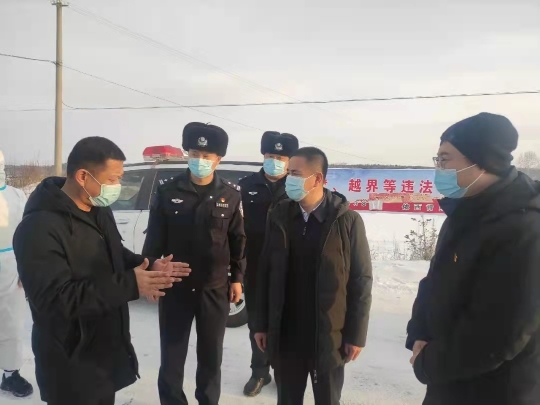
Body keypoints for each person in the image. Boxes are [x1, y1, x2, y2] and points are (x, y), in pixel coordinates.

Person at [13, 137, 191, 405]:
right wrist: (131, 284)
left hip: (103, 355)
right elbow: (54, 300)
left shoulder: (98, 208)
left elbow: (115, 252)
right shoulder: (38, 228)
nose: (116, 187)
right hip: (68, 362)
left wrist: (147, 264)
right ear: (83, 176)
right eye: (112, 179)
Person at [407, 113, 540, 405]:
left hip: (495, 390)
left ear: (482, 161)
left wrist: (428, 362)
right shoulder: (464, 212)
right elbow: (433, 282)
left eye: (445, 159)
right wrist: (418, 334)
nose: (438, 168)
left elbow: (501, 333)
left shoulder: (524, 229)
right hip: (448, 382)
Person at [254, 147, 373, 405]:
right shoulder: (279, 216)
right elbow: (264, 272)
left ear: (317, 179)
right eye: (288, 173)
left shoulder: (347, 221)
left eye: (295, 174)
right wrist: (260, 324)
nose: (288, 179)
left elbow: (361, 280)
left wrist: (356, 335)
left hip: (329, 337)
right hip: (286, 334)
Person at [143, 122, 246, 405]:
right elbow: (154, 239)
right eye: (194, 153)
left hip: (214, 287)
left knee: (211, 356)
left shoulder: (230, 194)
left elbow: (238, 240)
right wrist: (151, 275)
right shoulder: (167, 190)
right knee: (172, 356)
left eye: (206, 155)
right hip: (175, 287)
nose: (199, 160)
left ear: (218, 159)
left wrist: (237, 278)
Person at [239, 131, 299, 397]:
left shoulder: (297, 187)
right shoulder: (245, 186)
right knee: (257, 321)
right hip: (254, 266)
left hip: (289, 267)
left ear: (290, 161)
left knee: (287, 321)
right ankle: (259, 372)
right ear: (263, 155)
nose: (275, 161)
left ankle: (283, 372)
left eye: (281, 157)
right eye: (271, 155)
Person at [0, 150, 33, 398]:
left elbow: (28, 233)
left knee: (11, 323)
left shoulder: (17, 196)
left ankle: (10, 374)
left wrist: (26, 268)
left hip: (12, 266)